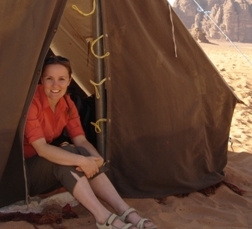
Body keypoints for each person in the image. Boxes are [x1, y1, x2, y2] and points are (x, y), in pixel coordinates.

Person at [24, 55, 157, 229]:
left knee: (80, 153)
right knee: (71, 155)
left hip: (45, 170)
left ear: (69, 80)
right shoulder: (32, 102)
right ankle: (102, 216)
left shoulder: (67, 103)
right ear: (42, 79)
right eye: (49, 79)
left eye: (61, 79)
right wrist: (80, 160)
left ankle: (124, 210)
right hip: (24, 173)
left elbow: (80, 139)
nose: (56, 85)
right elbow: (41, 149)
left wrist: (95, 158)